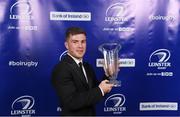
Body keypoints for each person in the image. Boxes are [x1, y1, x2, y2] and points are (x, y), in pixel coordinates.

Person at [51, 27, 114, 116]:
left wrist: (108, 75)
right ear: (66, 45)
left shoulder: (87, 66)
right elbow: (72, 102)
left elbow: (96, 92)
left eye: (83, 41)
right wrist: (100, 90)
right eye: (75, 42)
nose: (80, 46)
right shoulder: (61, 69)